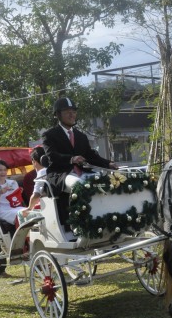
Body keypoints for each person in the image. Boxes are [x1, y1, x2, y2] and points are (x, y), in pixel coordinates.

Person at [42, 97, 117, 230]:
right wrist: (71, 159)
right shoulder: (49, 135)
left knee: (104, 182)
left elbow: (90, 155)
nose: (72, 114)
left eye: (74, 111)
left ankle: (105, 219)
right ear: (58, 115)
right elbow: (52, 156)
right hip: (61, 175)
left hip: (82, 173)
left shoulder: (81, 136)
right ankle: (78, 223)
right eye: (67, 111)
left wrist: (108, 163)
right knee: (78, 184)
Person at [0, 159, 27, 278]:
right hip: (1, 211)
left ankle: (27, 245)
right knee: (20, 214)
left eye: (4, 170)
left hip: (15, 207)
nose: (3, 172)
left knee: (26, 212)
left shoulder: (13, 183)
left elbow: (17, 199)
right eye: (0, 170)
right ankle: (20, 247)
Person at [18, 146, 48, 224]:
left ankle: (27, 236)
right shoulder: (53, 169)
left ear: (34, 161)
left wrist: (29, 208)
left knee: (20, 214)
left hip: (47, 208)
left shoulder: (41, 172)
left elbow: (36, 195)